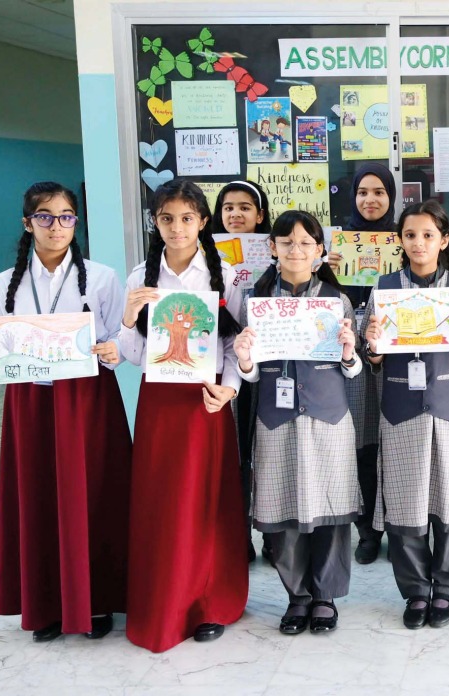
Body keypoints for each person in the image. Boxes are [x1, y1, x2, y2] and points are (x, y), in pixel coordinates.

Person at [0, 182, 132, 642]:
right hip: (31, 403)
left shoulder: (101, 277)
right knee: (37, 495)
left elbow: (121, 338)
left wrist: (114, 349)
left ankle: (97, 600)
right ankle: (44, 604)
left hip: (88, 401)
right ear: (28, 224)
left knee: (93, 493)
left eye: (66, 217)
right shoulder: (3, 283)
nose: (56, 226)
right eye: (44, 217)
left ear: (75, 223)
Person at [119, 179, 247, 651]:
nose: (177, 228)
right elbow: (134, 354)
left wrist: (229, 389)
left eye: (187, 218)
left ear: (203, 222)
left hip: (205, 401)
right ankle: (162, 598)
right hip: (158, 402)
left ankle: (208, 601)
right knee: (161, 500)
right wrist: (128, 320)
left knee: (205, 501)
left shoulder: (225, 275)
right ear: (155, 222)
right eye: (167, 219)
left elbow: (234, 344)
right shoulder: (141, 277)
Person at [363, 200, 449, 630]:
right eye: (411, 235)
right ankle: (416, 591)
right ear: (400, 240)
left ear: (444, 240)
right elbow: (373, 358)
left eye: (428, 235)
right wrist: (373, 344)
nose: (419, 243)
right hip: (401, 408)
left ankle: (447, 589)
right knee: (406, 502)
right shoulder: (384, 288)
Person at [234, 210, 361, 635]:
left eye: (306, 243)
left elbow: (354, 370)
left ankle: (325, 596)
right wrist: (245, 359)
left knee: (331, 507)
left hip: (328, 418)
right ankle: (298, 596)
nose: (296, 250)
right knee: (281, 506)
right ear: (271, 247)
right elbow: (250, 375)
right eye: (286, 242)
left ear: (320, 250)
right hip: (276, 417)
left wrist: (348, 352)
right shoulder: (256, 301)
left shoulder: (336, 300)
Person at [329, 163, 394, 565]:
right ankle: (367, 529)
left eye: (379, 192)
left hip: (394, 356)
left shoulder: (404, 239)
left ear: (391, 196)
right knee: (361, 444)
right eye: (362, 192)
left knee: (394, 442)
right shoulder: (336, 246)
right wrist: (326, 269)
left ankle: (398, 524)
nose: (370, 200)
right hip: (350, 355)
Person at [210, 179, 272, 564]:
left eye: (245, 207)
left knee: (266, 448)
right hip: (226, 363)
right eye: (228, 207)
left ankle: (273, 533)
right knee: (234, 452)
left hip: (271, 363)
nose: (235, 214)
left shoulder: (277, 251)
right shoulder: (206, 255)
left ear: (260, 215)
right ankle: (240, 534)